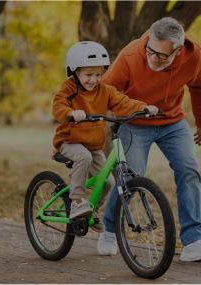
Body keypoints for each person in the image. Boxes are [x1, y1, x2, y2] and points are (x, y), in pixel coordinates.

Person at [97, 17, 201, 262]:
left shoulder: (194, 56)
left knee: (189, 170)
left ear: (178, 50)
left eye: (162, 55)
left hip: (172, 121)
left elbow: (200, 87)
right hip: (133, 122)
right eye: (151, 50)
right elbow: (104, 92)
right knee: (131, 178)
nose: (153, 58)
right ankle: (110, 229)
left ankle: (194, 241)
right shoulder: (131, 56)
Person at [52, 41, 158, 233]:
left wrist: (143, 107)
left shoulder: (105, 90)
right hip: (69, 141)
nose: (94, 79)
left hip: (94, 145)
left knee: (109, 182)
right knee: (83, 157)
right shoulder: (69, 87)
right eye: (88, 74)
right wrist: (71, 112)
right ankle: (76, 202)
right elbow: (58, 106)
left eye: (98, 74)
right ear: (75, 72)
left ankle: (91, 211)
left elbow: (123, 102)